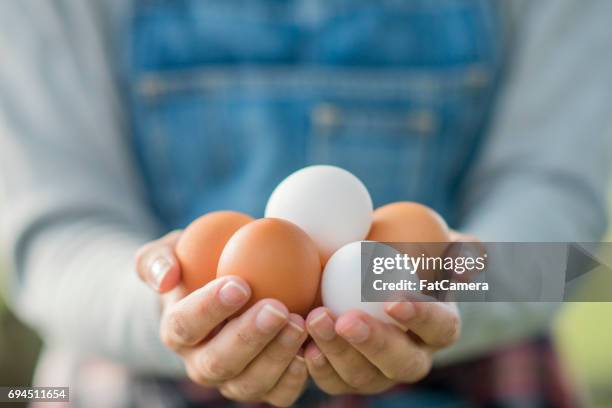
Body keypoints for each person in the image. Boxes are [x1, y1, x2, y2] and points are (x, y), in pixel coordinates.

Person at [0, 0, 610, 406]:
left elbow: (558, 254)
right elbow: (52, 239)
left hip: (476, 381)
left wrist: (446, 283)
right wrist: (174, 306)